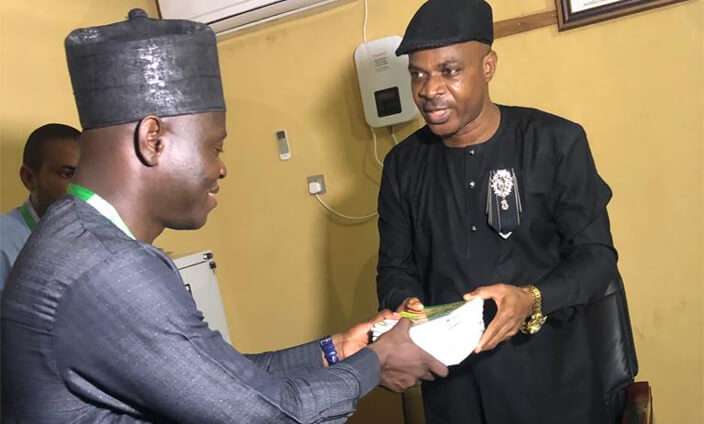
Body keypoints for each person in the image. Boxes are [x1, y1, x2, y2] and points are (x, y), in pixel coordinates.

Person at [1, 9, 447, 423]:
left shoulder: (76, 235)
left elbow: (223, 380)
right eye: (214, 146)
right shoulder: (110, 267)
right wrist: (377, 362)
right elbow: (264, 415)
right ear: (153, 139)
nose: (221, 167)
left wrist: (336, 350)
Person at [376, 1, 627, 423]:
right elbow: (394, 268)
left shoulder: (554, 143)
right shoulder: (403, 166)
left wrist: (531, 299)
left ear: (488, 66)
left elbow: (597, 257)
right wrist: (411, 309)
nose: (429, 89)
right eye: (418, 74)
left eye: (449, 71)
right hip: (455, 390)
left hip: (553, 383)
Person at [0, 123, 80, 289]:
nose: (82, 187)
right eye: (67, 174)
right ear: (29, 178)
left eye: (87, 174)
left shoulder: (101, 240)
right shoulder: (4, 243)